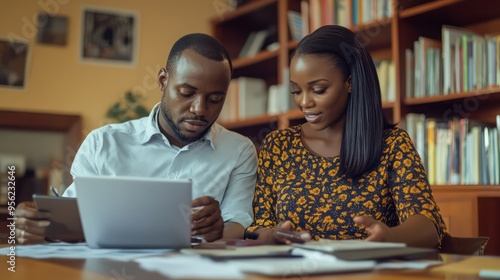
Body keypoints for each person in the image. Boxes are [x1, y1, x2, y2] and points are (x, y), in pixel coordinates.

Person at [15, 33, 258, 244]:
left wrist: (218, 233)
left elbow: (237, 223)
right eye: (187, 93)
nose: (199, 109)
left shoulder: (238, 151)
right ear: (163, 81)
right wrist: (37, 225)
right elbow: (70, 223)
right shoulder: (104, 143)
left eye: (215, 99)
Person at [245, 25, 446, 248]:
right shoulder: (278, 146)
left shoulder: (392, 145)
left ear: (350, 83)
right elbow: (258, 225)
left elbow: (428, 224)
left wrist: (390, 237)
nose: (304, 102)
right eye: (296, 91)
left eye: (318, 90)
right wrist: (274, 235)